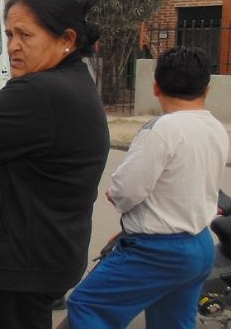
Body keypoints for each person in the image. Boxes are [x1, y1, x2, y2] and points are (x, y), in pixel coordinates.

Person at [0, 0, 110, 329]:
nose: (13, 46)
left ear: (66, 38)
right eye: (9, 34)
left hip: (19, 261)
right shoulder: (73, 80)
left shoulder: (38, 91)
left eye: (25, 35)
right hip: (45, 251)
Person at [66, 46, 230, 329]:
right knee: (174, 322)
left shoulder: (162, 130)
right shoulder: (216, 128)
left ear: (156, 87)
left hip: (157, 251)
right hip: (200, 245)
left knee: (87, 304)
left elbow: (126, 190)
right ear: (207, 87)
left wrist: (116, 193)